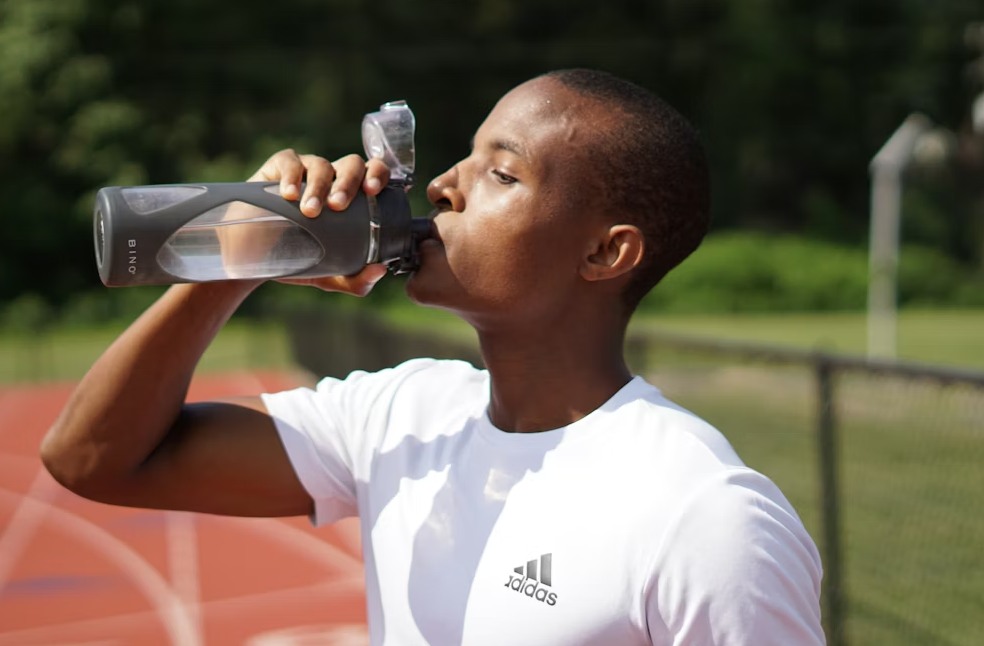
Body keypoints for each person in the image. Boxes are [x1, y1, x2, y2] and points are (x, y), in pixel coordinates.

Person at [42, 69, 825, 645]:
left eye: (502, 173)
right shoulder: (404, 414)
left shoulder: (704, 515)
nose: (445, 187)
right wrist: (246, 249)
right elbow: (94, 457)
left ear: (605, 252)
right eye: (463, 159)